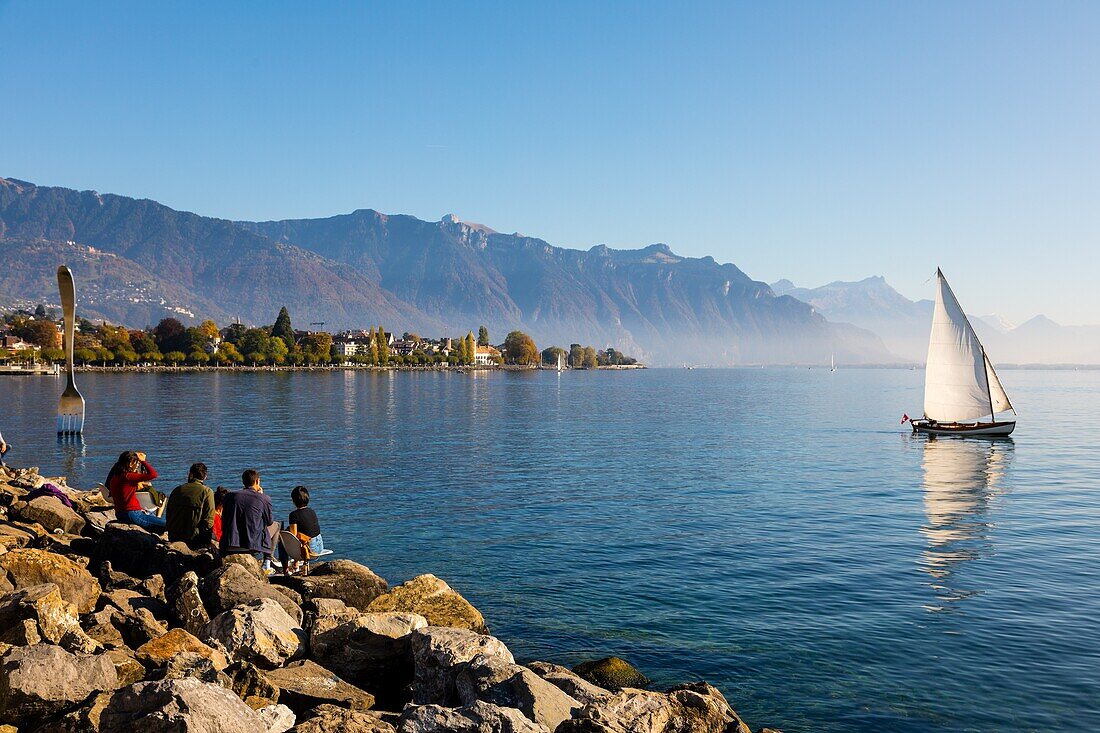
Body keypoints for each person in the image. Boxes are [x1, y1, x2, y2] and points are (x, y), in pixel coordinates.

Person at [219, 469, 274, 569]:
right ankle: (267, 561)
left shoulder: (229, 496)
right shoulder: (264, 498)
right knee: (276, 525)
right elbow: (269, 521)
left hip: (230, 543)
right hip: (251, 546)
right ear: (257, 481)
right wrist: (261, 496)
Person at [106, 451, 166, 531]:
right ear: (131, 464)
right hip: (133, 514)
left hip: (120, 514)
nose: (137, 466)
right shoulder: (128, 476)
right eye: (137, 464)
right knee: (169, 525)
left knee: (154, 520)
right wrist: (143, 461)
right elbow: (153, 474)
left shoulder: (116, 477)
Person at [165, 463, 215, 548]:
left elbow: (168, 514)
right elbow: (209, 520)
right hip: (194, 539)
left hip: (174, 536)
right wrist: (207, 541)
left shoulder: (176, 490)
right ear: (205, 476)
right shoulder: (207, 492)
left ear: (190, 474)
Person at [278, 485, 325, 572]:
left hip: (311, 549)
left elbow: (294, 536)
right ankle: (296, 564)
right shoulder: (312, 511)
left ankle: (285, 570)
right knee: (301, 535)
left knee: (283, 540)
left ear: (293, 501)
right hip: (320, 547)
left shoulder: (294, 515)